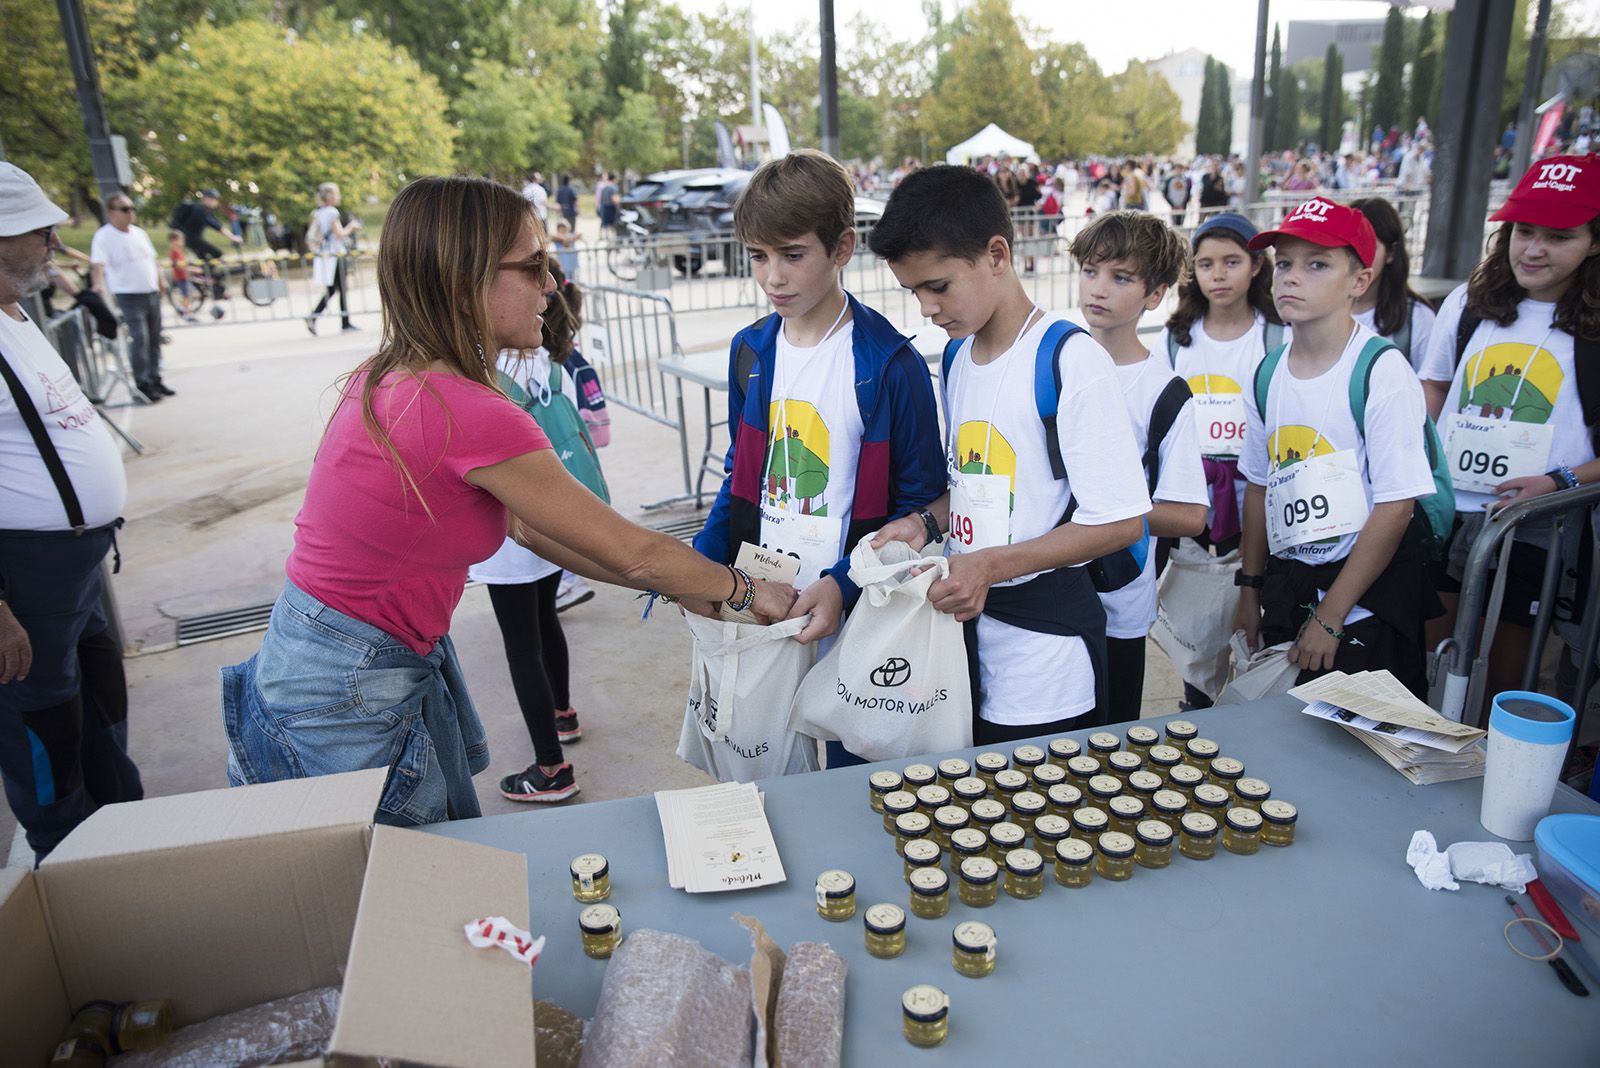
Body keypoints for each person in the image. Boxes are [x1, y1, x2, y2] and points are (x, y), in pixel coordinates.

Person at [222, 176, 795, 826]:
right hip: (346, 682)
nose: (551, 284)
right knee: (405, 893)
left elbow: (532, 527)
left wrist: (690, 588)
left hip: (322, 659)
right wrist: (740, 590)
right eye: (531, 267)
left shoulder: (393, 377)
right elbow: (632, 553)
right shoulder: (468, 411)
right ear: (463, 279)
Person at [868, 165, 1150, 741]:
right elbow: (976, 481)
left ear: (997, 254)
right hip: (966, 641)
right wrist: (924, 523)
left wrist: (990, 566)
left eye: (938, 286)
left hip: (1046, 654)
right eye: (913, 290)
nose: (925, 307)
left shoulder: (1069, 360)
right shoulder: (955, 359)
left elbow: (1121, 521)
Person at [692, 149, 945, 767]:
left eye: (792, 254)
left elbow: (919, 508)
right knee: (768, 776)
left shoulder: (891, 364)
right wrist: (700, 561)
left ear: (841, 248)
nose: (773, 276)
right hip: (764, 602)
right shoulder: (750, 351)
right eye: (757, 256)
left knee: (852, 777)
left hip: (854, 612)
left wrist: (843, 585)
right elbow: (742, 475)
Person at [1232, 197, 1440, 694]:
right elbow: (1260, 487)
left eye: (1317, 264)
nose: (1291, 277)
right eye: (1283, 264)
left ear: (1359, 281)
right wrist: (1250, 587)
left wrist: (1332, 614)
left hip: (1364, 606)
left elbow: (1395, 505)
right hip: (1290, 589)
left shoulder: (1381, 371)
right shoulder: (1267, 371)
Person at [1416, 155, 1600, 702]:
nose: (1534, 249)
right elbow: (1435, 388)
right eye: (1524, 231)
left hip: (1545, 525)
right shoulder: (1470, 302)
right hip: (1448, 512)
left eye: (1559, 236)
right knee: (1432, 658)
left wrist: (1559, 483)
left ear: (1594, 241)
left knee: (1511, 675)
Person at [0, 162, 143, 863]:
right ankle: (66, 855)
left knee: (99, 696)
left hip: (75, 563)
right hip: (25, 576)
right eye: (39, 230)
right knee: (44, 717)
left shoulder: (16, 312)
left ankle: (118, 830)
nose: (54, 240)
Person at [1070, 212, 1209, 724]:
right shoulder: (1055, 362)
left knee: (1109, 741)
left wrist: (1112, 511)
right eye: (1089, 270)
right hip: (1047, 592)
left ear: (1156, 294)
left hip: (1118, 599)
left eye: (1120, 277)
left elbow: (1191, 514)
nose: (1098, 288)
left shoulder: (1164, 391)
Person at [470, 261, 600, 802]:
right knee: (547, 619)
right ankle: (563, 712)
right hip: (549, 521)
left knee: (521, 645)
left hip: (509, 534)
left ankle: (550, 768)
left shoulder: (479, 371)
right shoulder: (546, 360)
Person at [89, 193, 171, 402]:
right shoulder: (104, 236)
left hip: (150, 292)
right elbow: (98, 264)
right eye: (124, 209)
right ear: (111, 212)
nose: (130, 213)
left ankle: (155, 378)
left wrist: (161, 280)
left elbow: (152, 260)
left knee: (154, 338)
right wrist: (97, 285)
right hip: (129, 295)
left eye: (132, 208)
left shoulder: (139, 233)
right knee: (140, 338)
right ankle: (142, 383)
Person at [1348, 198, 1436, 373]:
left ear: (1391, 253)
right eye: (1347, 246)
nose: (1356, 256)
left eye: (1368, 245)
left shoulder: (1417, 318)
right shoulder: (1316, 309)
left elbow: (1430, 388)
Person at [305, 182, 361, 336]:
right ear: (330, 196)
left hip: (326, 255)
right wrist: (352, 226)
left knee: (333, 289)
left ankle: (314, 316)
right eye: (336, 193)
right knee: (341, 288)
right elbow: (339, 234)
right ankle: (344, 322)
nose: (338, 196)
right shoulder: (331, 212)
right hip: (335, 254)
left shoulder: (318, 212)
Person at [171, 188, 242, 280]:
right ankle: (200, 274)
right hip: (193, 239)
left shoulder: (202, 210)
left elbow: (217, 224)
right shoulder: (201, 211)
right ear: (206, 199)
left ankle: (202, 277)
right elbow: (218, 227)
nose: (215, 201)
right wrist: (234, 238)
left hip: (191, 240)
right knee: (218, 254)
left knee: (204, 261)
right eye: (213, 199)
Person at [168, 230, 196, 322]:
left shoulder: (178, 251)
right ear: (174, 240)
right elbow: (179, 265)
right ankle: (186, 313)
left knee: (188, 295)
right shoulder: (174, 252)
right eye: (180, 239)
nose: (182, 241)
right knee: (186, 295)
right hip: (181, 276)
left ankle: (187, 311)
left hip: (184, 275)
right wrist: (190, 269)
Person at [596, 173, 620, 237]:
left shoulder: (604, 187)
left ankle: (603, 235)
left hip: (604, 206)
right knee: (612, 223)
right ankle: (613, 236)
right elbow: (614, 198)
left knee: (604, 222)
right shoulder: (613, 187)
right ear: (614, 179)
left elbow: (600, 198)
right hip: (611, 207)